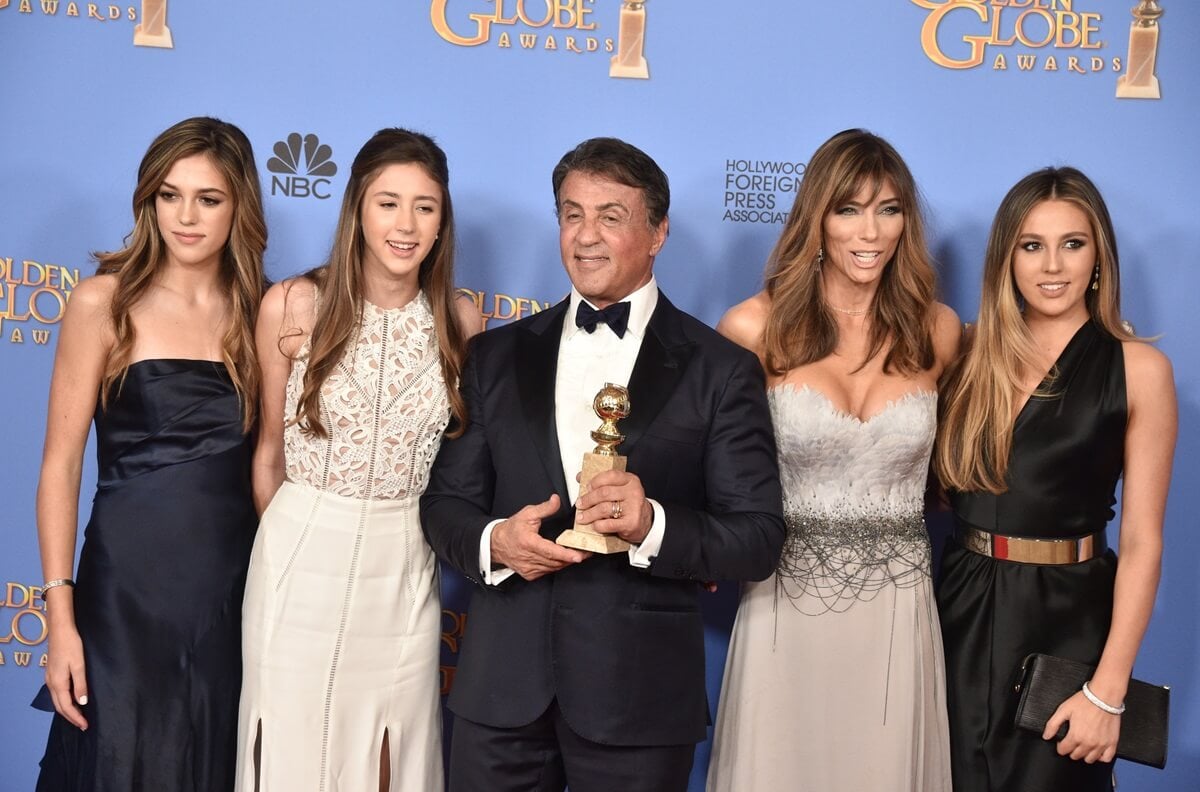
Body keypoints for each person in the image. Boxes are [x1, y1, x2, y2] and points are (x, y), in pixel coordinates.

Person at [420, 137, 785, 792]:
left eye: (610, 216)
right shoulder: (494, 358)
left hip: (638, 698)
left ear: (658, 232)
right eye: (571, 214)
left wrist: (652, 526)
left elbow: (756, 540)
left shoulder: (720, 369)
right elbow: (444, 505)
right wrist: (493, 541)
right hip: (500, 693)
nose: (586, 237)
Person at [707, 129, 959, 791]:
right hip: (782, 604)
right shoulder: (751, 329)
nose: (869, 231)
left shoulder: (940, 331)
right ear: (815, 218)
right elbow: (710, 474)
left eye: (889, 208)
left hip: (897, 612)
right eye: (848, 208)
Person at [235, 127, 480, 792]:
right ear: (357, 209)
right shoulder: (292, 304)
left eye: (425, 207)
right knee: (286, 748)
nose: (406, 225)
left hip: (403, 564)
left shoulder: (462, 321)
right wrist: (286, 547)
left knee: (388, 754)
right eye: (388, 203)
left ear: (441, 221)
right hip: (296, 558)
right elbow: (268, 457)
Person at [32, 116, 266, 791]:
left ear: (239, 205)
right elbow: (60, 466)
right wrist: (60, 617)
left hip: (228, 597)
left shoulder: (265, 313)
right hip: (120, 599)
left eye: (208, 199)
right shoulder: (102, 303)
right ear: (148, 201)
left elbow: (274, 464)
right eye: (170, 195)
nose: (186, 217)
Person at [933, 167, 1175, 791]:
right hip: (955, 602)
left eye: (1073, 243)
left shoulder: (1139, 368)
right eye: (1031, 245)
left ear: (1099, 256)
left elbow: (1145, 541)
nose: (1052, 266)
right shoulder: (966, 350)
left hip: (1069, 619)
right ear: (1006, 257)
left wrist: (1108, 691)